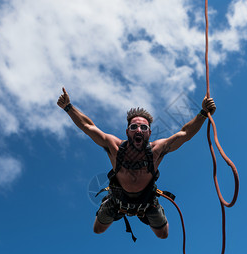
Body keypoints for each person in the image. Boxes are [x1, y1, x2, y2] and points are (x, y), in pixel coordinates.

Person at [57, 87, 216, 239]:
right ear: (127, 132)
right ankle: (111, 203)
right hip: (117, 200)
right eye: (134, 127)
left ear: (149, 133)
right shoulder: (115, 147)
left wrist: (203, 113)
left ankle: (149, 209)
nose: (138, 130)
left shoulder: (157, 150)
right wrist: (68, 107)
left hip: (147, 202)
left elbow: (185, 133)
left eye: (143, 127)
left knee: (163, 234)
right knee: (98, 229)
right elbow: (88, 126)